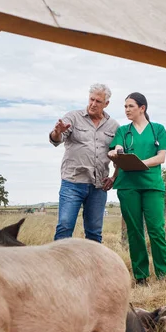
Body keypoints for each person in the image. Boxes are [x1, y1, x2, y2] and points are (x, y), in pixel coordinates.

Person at [108, 92, 166, 285]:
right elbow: (117, 148)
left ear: (142, 108)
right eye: (125, 107)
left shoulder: (158, 130)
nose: (127, 110)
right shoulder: (123, 131)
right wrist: (115, 152)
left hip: (152, 186)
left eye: (131, 106)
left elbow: (161, 157)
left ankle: (164, 276)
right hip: (128, 186)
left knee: (156, 231)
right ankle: (141, 277)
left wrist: (140, 162)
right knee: (134, 231)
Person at [49, 83, 119, 243]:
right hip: (72, 183)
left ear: (106, 104)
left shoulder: (114, 126)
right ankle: (59, 266)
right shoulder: (72, 117)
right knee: (65, 226)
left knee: (94, 232)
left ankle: (93, 267)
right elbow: (56, 139)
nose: (93, 104)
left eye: (98, 101)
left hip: (98, 186)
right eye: (91, 99)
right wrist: (57, 132)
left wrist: (114, 177)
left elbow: (118, 157)